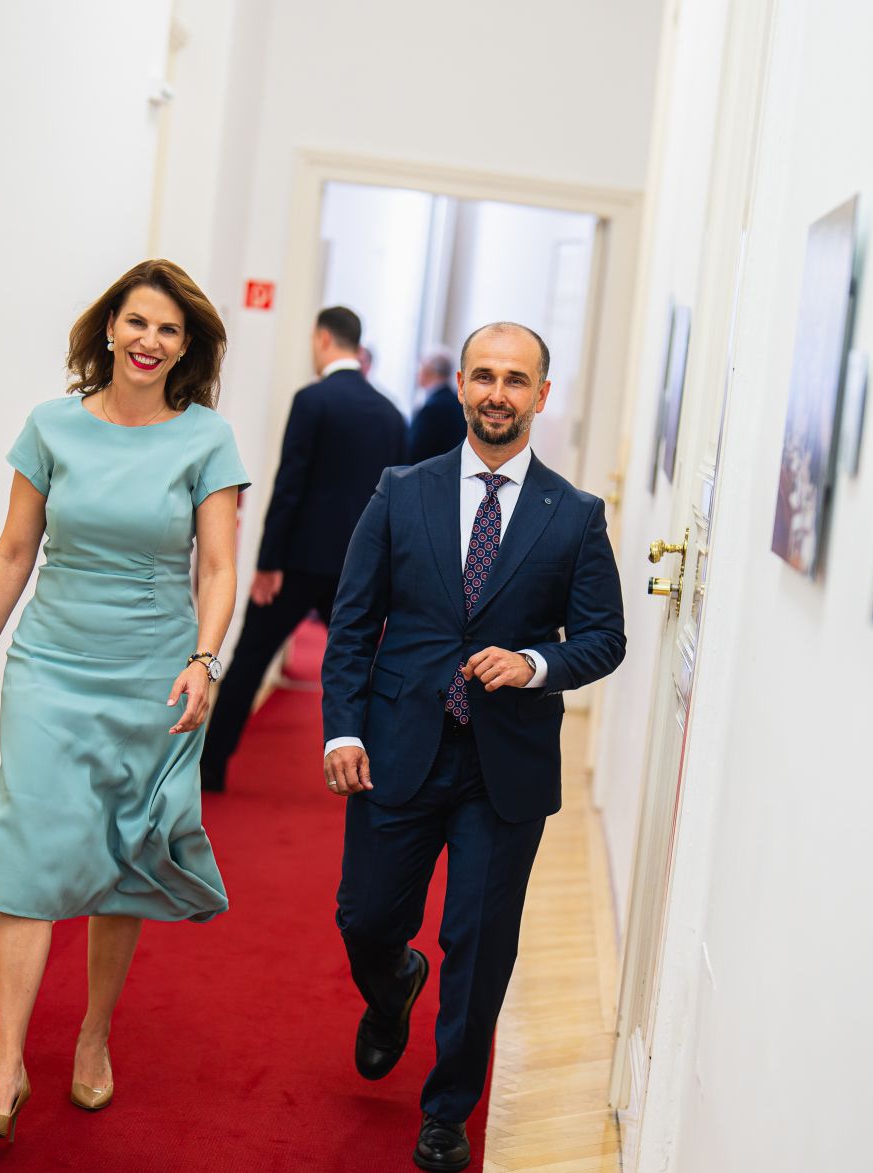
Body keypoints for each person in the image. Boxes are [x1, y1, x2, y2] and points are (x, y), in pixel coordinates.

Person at [0, 259, 249, 1142]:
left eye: (170, 330)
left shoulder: (206, 439)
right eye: (138, 323)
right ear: (108, 329)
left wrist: (205, 658)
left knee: (121, 855)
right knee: (29, 847)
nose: (150, 342)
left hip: (152, 668)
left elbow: (220, 566)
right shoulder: (50, 426)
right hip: (52, 663)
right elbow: (13, 552)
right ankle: (5, 1071)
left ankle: (92, 1036)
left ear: (185, 347)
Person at [322, 322, 626, 1170]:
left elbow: (603, 638)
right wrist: (343, 725)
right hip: (397, 746)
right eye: (484, 376)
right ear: (459, 385)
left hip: (506, 765)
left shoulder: (574, 516)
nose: (498, 392)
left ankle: (447, 1110)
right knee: (367, 914)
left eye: (516, 379)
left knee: (480, 943)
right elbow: (353, 620)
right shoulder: (401, 489)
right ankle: (391, 989)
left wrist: (534, 662)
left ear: (541, 395)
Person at [199, 306, 406, 791]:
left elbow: (289, 485)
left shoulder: (313, 400)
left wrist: (268, 562)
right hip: (360, 568)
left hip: (296, 563)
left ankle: (211, 769)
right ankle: (384, 770)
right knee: (366, 670)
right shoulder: (392, 414)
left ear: (322, 339)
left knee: (249, 661)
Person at [406, 348, 466, 463]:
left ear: (428, 372)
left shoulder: (432, 409)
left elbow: (415, 452)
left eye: (420, 368)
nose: (417, 374)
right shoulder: (458, 402)